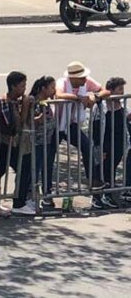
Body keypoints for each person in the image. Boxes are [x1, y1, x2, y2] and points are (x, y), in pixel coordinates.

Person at [54, 60, 107, 206]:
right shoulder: (62, 82)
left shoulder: (86, 82)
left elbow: (103, 90)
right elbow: (59, 95)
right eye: (82, 78)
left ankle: (93, 180)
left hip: (72, 124)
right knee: (49, 155)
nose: (85, 80)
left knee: (87, 146)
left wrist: (94, 97)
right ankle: (45, 191)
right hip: (57, 124)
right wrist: (79, 98)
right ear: (73, 78)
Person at [0, 71, 34, 216]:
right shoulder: (6, 103)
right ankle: (18, 203)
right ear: (13, 86)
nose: (24, 89)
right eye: (22, 86)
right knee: (22, 168)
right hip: (3, 142)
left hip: (6, 143)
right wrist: (24, 107)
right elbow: (16, 126)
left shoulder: (13, 102)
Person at [30, 76, 59, 211]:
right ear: (43, 88)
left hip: (46, 141)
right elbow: (30, 120)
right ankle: (31, 199)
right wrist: (39, 119)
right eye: (52, 87)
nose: (54, 90)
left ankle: (43, 196)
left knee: (44, 167)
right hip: (36, 142)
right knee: (34, 170)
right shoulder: (36, 102)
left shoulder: (47, 102)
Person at [101, 77, 127, 207]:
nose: (122, 93)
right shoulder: (106, 106)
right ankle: (106, 194)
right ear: (111, 90)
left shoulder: (120, 104)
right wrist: (102, 148)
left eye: (123, 89)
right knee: (107, 167)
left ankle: (110, 186)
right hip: (108, 142)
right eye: (119, 89)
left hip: (119, 142)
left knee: (114, 166)